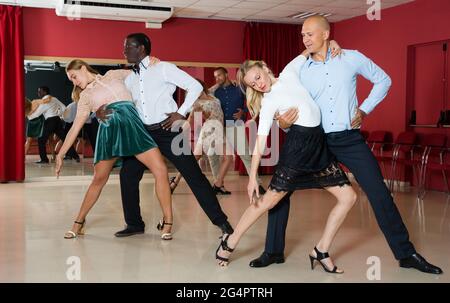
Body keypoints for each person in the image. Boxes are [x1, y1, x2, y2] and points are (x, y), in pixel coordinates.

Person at [250, 15, 443, 275]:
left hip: (348, 138)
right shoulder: (300, 70)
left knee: (379, 192)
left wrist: (364, 109)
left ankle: (405, 254)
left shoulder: (351, 57)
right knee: (282, 190)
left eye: (310, 34)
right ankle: (272, 251)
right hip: (313, 139)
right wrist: (282, 123)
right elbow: (284, 102)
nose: (305, 39)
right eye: (303, 35)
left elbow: (384, 80)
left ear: (326, 34)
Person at [215, 48, 358, 274]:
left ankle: (321, 250)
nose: (258, 85)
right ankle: (230, 242)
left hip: (318, 147)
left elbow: (309, 48)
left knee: (349, 197)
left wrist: (332, 43)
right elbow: (260, 142)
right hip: (297, 149)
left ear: (264, 67)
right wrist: (252, 177)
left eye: (258, 77)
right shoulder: (269, 101)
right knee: (268, 201)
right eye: (253, 84)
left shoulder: (290, 72)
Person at [96, 33, 234, 238]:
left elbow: (194, 86)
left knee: (193, 175)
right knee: (127, 175)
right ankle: (134, 224)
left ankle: (222, 223)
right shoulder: (130, 78)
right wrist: (100, 113)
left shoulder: (163, 68)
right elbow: (125, 105)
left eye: (128, 47)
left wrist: (182, 111)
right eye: (124, 47)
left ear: (141, 48)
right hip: (142, 134)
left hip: (168, 130)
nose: (124, 51)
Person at [56, 59, 173, 241]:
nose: (73, 81)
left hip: (134, 127)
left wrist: (152, 63)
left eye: (74, 76)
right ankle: (78, 223)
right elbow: (75, 127)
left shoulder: (114, 75)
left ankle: (168, 221)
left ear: (83, 68)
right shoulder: (85, 96)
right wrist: (61, 153)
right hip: (110, 133)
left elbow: (144, 77)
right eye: (71, 79)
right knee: (99, 179)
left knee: (161, 169)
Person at [169, 79, 234, 195]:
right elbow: (190, 119)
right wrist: (179, 132)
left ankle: (175, 181)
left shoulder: (209, 93)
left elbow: (218, 84)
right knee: (228, 157)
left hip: (212, 130)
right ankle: (218, 184)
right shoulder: (197, 103)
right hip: (212, 129)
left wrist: (232, 81)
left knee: (192, 160)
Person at [210, 67, 265, 194]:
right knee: (213, 156)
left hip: (235, 124)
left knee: (245, 155)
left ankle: (256, 182)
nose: (217, 78)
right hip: (219, 126)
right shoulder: (215, 92)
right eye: (215, 76)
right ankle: (218, 184)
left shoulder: (239, 88)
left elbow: (252, 101)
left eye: (219, 75)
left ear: (226, 74)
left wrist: (244, 112)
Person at [29, 86, 79, 163]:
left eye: (40, 91)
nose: (38, 93)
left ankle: (44, 159)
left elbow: (37, 114)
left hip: (50, 121)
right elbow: (64, 107)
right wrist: (59, 114)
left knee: (41, 140)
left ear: (45, 92)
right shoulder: (54, 98)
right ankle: (75, 156)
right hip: (57, 120)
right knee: (65, 139)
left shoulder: (44, 101)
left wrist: (28, 115)